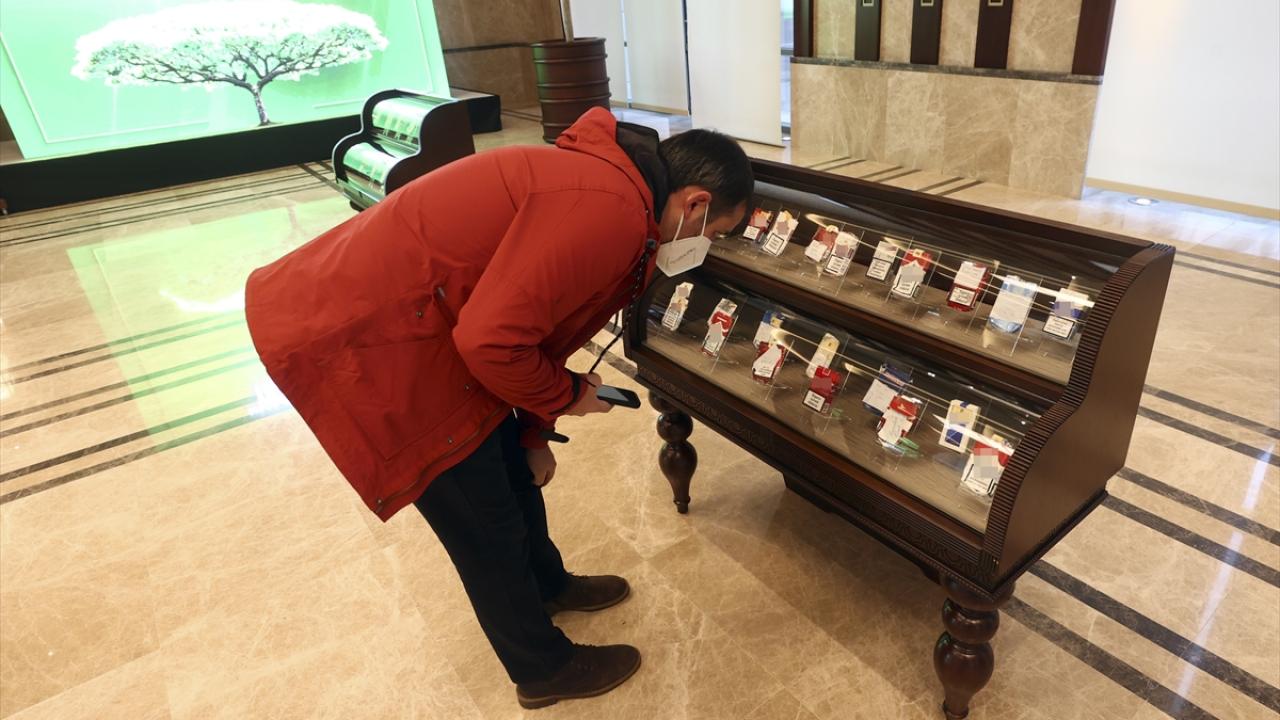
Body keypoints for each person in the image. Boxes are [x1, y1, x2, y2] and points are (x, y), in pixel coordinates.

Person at [243, 107, 752, 708]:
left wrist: (534, 433)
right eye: (714, 233)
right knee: (484, 523)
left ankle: (548, 584)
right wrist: (569, 397)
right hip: (373, 338)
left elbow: (542, 330)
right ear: (695, 203)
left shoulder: (621, 193)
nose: (705, 247)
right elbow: (492, 343)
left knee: (513, 476)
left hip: (433, 325)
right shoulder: (610, 210)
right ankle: (543, 669)